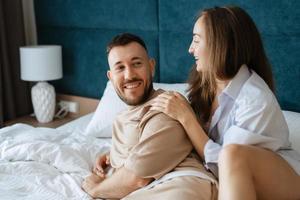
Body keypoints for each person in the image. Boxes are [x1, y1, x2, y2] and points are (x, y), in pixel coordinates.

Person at [150, 6, 300, 200]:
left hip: (286, 179)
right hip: (242, 175)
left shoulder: (254, 99)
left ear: (220, 44)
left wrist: (187, 119)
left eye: (196, 40)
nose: (190, 49)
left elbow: (223, 165)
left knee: (231, 155)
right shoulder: (207, 84)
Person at [81, 33, 218, 200]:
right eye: (120, 67)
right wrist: (112, 156)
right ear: (111, 77)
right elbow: (143, 149)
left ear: (151, 66)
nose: (129, 75)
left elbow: (137, 177)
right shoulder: (122, 117)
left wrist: (94, 188)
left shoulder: (168, 105)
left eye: (137, 63)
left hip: (181, 185)